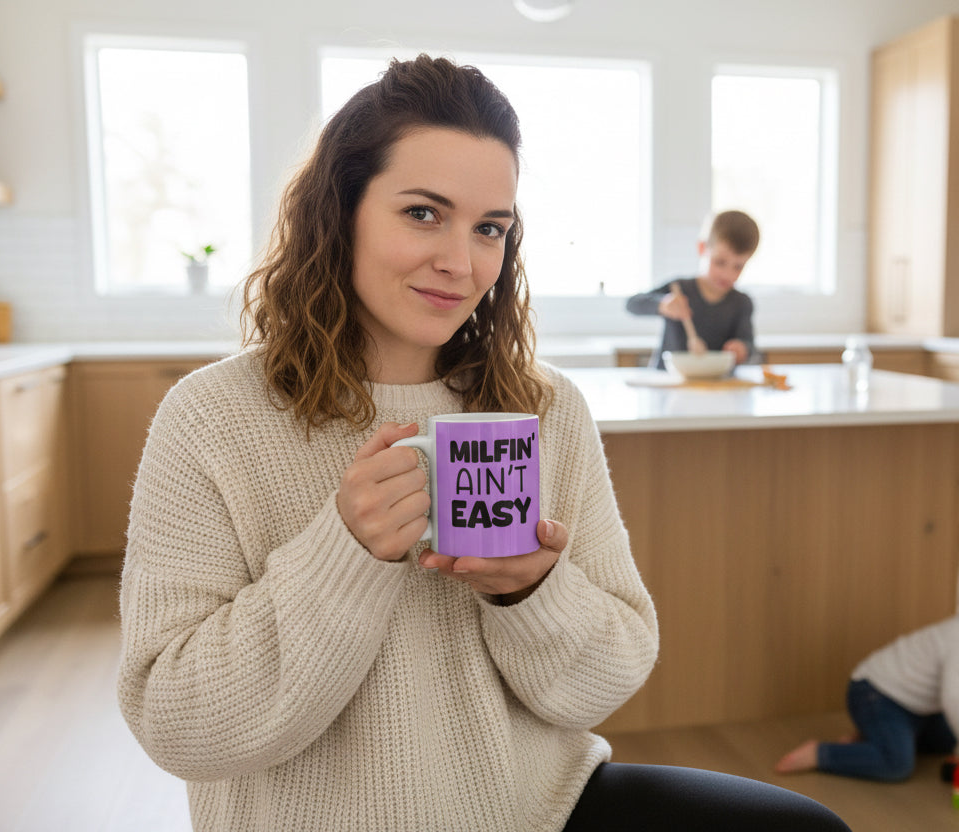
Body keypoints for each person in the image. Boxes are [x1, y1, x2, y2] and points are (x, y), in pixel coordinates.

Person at [117, 55, 849, 832]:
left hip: (539, 808)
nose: (461, 264)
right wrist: (344, 554)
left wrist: (533, 593)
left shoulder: (546, 409)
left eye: (489, 229)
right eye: (423, 213)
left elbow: (610, 678)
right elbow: (177, 724)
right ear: (339, 211)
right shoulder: (211, 417)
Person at [774, 559, 959, 783]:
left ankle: (875, 739)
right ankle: (821, 754)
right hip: (876, 695)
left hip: (913, 708)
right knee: (897, 764)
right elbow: (955, 699)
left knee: (957, 736)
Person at [625, 210, 759, 369]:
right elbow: (632, 304)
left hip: (716, 381)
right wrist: (662, 304)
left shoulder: (742, 303)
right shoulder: (678, 289)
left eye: (738, 266)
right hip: (667, 379)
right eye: (720, 262)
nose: (727, 274)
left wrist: (741, 349)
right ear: (702, 248)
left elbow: (748, 343)